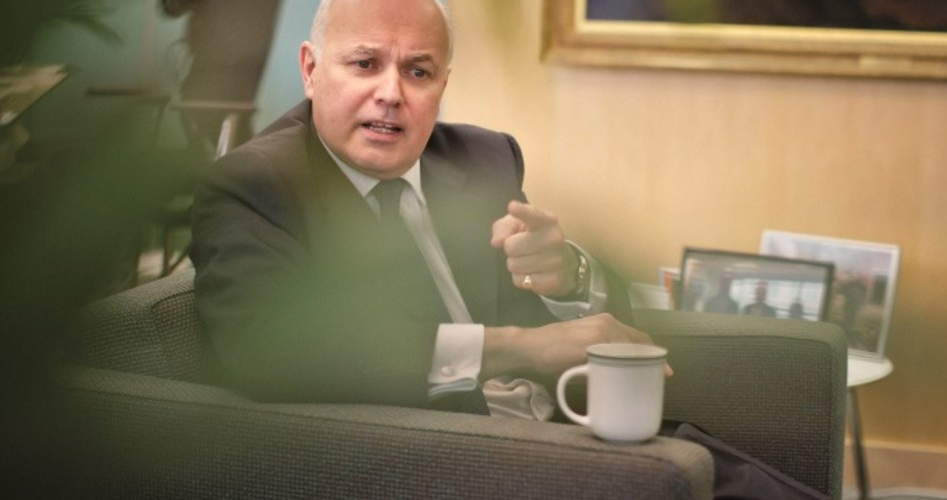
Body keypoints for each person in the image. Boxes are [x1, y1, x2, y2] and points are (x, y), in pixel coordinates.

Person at [191, 1, 823, 497]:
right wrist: (520, 346)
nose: (391, 93)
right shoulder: (255, 185)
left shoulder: (483, 157)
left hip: (580, 430)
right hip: (449, 461)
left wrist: (568, 277)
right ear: (310, 69)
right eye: (364, 64)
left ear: (443, 83)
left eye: (417, 71)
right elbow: (267, 348)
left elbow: (574, 312)